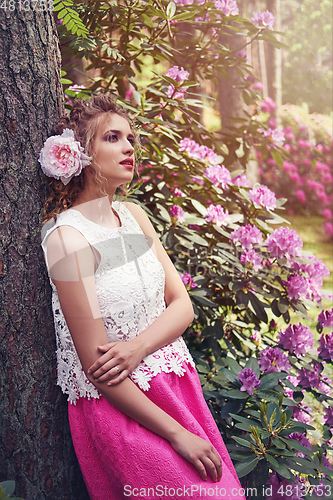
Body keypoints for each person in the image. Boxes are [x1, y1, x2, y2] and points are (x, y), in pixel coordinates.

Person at [40, 95, 246, 500]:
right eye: (113, 138)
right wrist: (178, 435)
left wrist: (136, 349)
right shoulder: (66, 239)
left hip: (176, 388)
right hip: (121, 408)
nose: (129, 147)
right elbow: (97, 365)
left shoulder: (135, 216)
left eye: (131, 138)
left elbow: (182, 305)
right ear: (81, 152)